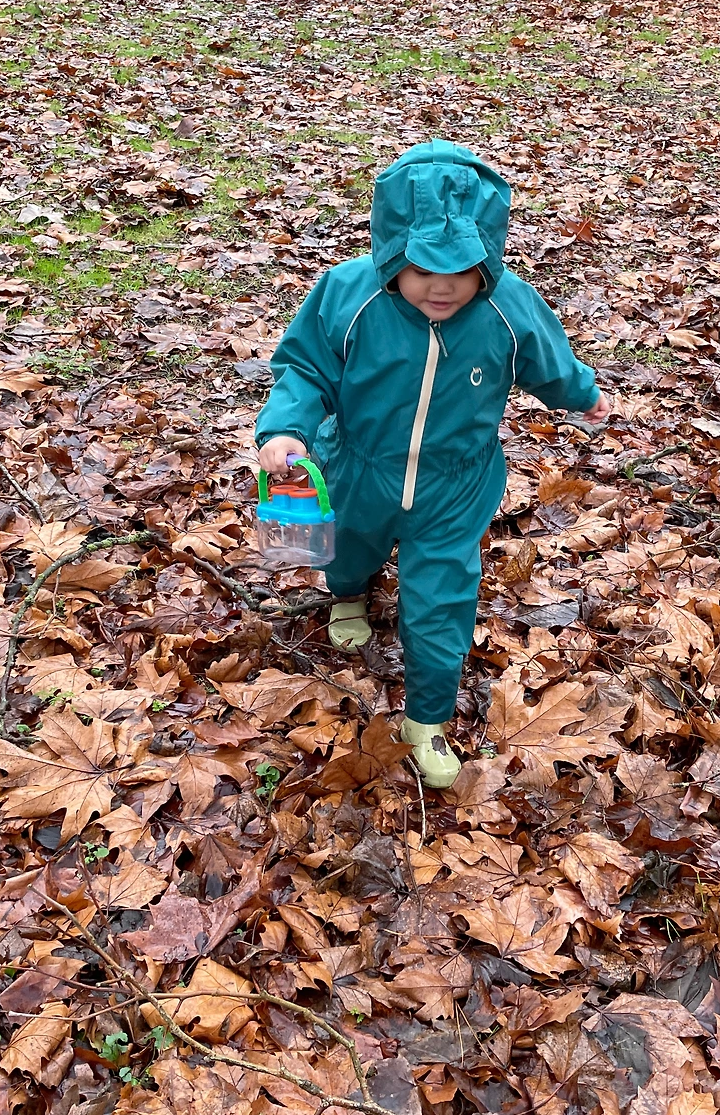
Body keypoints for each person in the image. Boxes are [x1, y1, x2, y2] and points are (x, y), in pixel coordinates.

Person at [255, 140, 608, 790]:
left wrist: (580, 392)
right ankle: (348, 594)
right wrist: (284, 427)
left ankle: (427, 717)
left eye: (463, 269)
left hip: (456, 484)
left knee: (442, 597)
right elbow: (305, 366)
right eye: (422, 268)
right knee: (349, 545)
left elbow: (547, 359)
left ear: (488, 258)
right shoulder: (349, 294)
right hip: (361, 464)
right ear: (392, 251)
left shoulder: (506, 307)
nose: (442, 286)